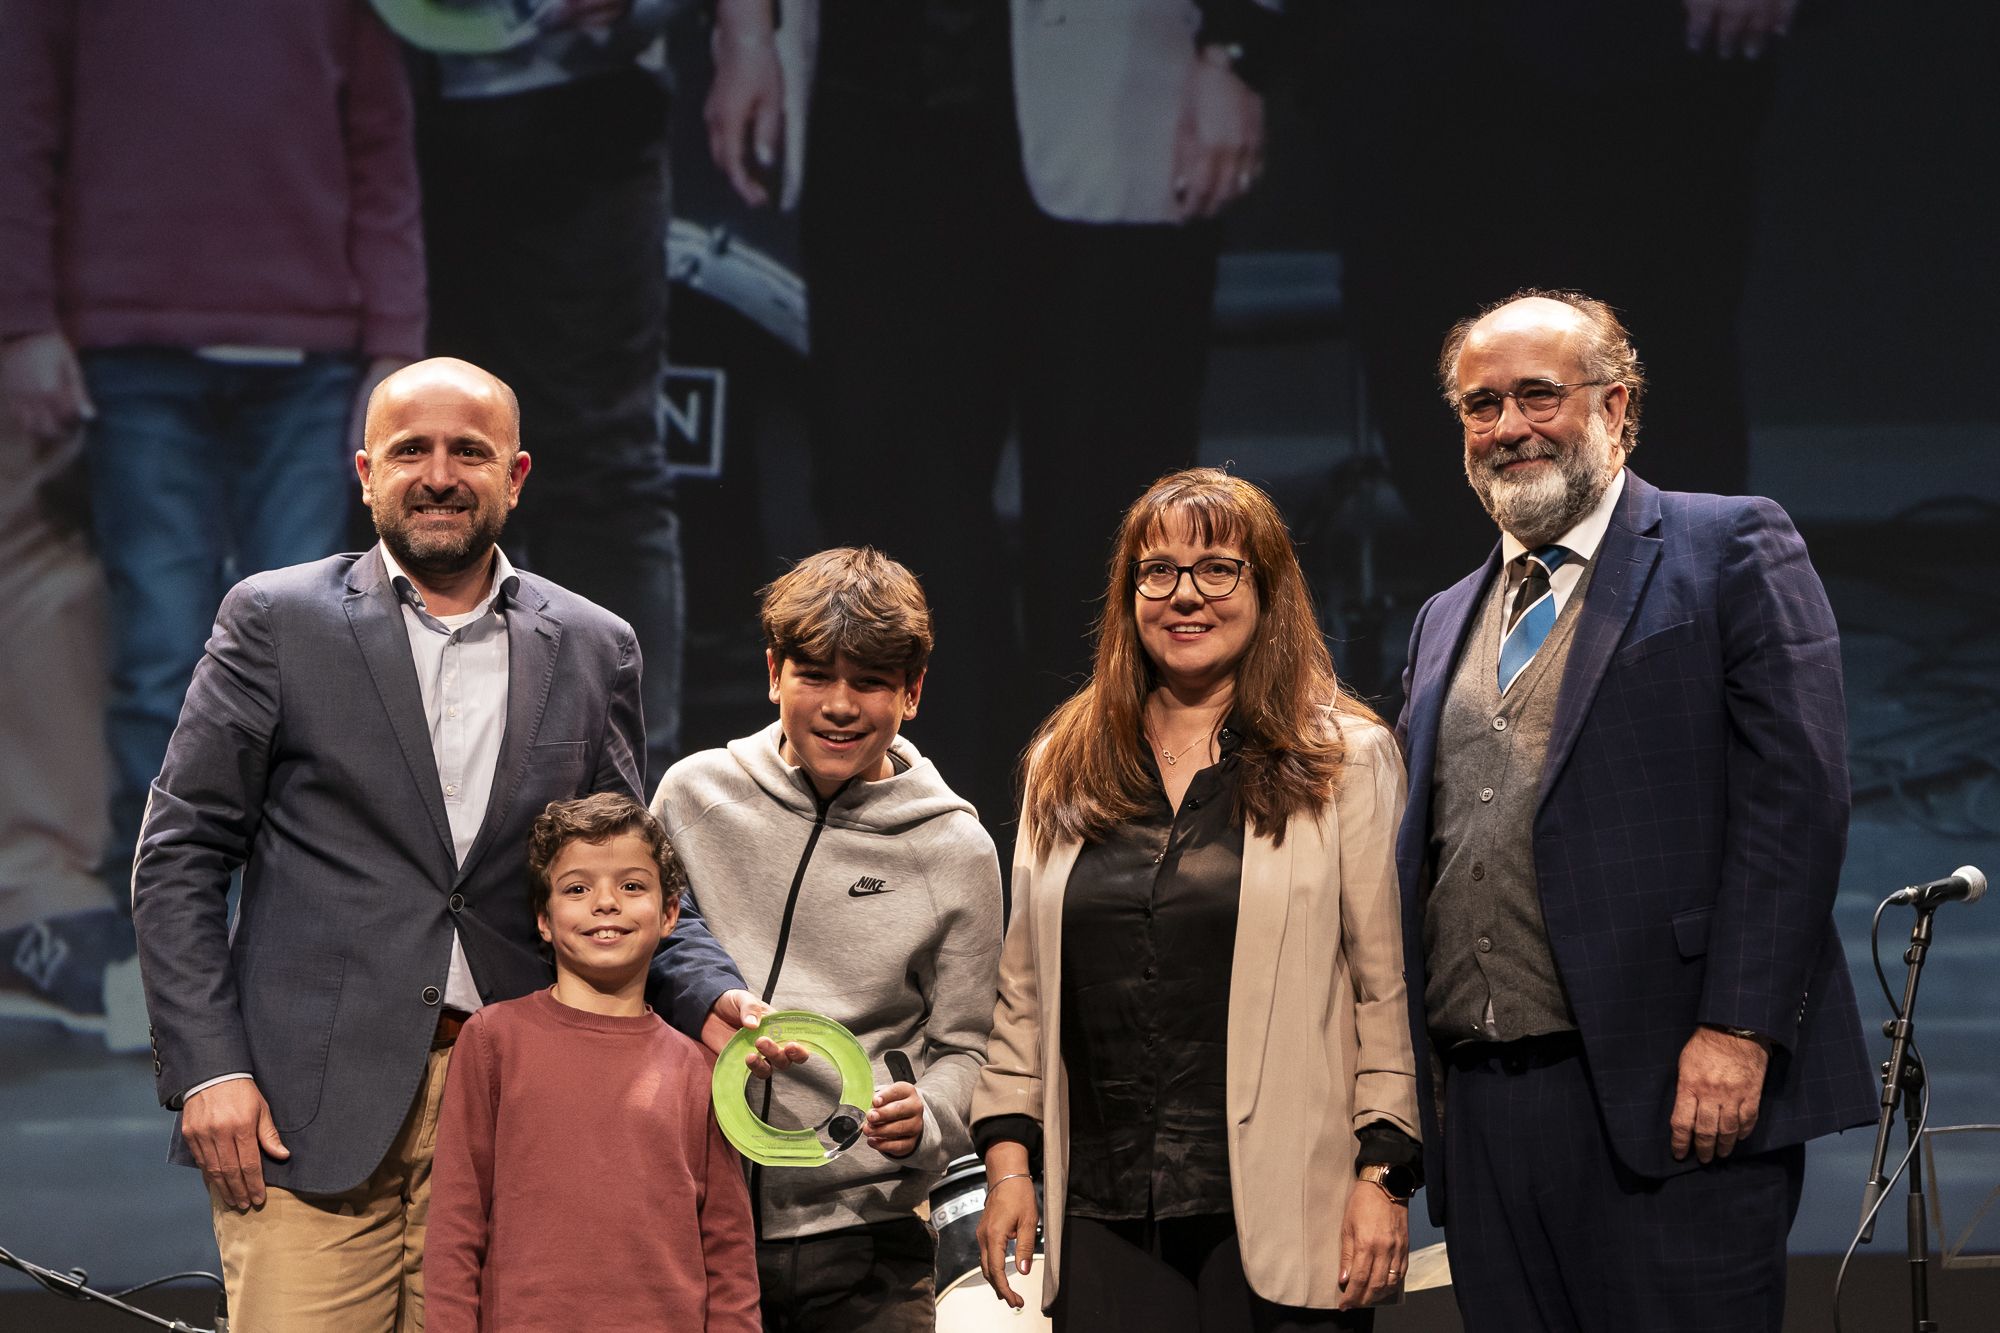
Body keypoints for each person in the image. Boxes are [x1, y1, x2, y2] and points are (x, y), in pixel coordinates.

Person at [129, 358, 769, 1332]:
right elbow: (179, 853)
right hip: (303, 1112)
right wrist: (209, 1069)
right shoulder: (275, 619)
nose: (437, 474)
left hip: (517, 1103)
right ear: (364, 472)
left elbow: (614, 862)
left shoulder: (594, 643)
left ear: (513, 476)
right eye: (409, 451)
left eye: (467, 451)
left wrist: (707, 990)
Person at [1394, 291, 1877, 1331]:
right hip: (1482, 1107)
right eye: (1481, 406)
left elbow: (1794, 801)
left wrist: (1738, 1026)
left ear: (1616, 406)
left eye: (1536, 395)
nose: (1507, 427)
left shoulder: (1727, 546)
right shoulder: (1443, 619)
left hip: (1669, 1086)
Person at [702, 0, 1282, 825]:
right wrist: (745, 33)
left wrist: (1236, 51)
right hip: (873, 108)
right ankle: (926, 853)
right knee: (893, 525)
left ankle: (1109, 855)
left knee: (1109, 521)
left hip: (1111, 97)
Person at [971, 468, 1421, 1330]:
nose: (1187, 595)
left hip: (1289, 1210)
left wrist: (1384, 1174)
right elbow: (1022, 995)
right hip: (1101, 1211)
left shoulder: (1346, 758)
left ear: (1267, 588)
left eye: (1219, 568)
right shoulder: (1064, 763)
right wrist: (1008, 1167)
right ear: (1128, 592)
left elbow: (1385, 986)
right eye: (1159, 571)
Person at [0, 0, 423, 910]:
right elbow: (21, 126)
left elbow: (381, 141)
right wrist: (25, 317)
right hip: (135, 348)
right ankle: (163, 934)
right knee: (161, 652)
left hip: (313, 356)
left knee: (307, 661)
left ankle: (289, 927)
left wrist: (394, 342)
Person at [651, 546, 1004, 1331]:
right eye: (815, 675)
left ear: (911, 692)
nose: (840, 705)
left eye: (871, 681)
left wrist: (930, 1117)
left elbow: (969, 1045)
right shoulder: (692, 795)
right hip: (689, 1217)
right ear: (773, 672)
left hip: (866, 1240)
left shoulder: (954, 848)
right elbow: (649, 957)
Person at [411, 0, 688, 781]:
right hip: (394, 101)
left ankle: (623, 813)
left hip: (589, 93)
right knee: (421, 474)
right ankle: (421, 810)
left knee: (604, 462)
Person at [425, 793, 759, 1331]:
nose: (606, 903)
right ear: (544, 918)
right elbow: (455, 1229)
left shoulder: (698, 1067)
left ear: (670, 912)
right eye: (577, 888)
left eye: (631, 886)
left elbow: (728, 1250)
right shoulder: (494, 1041)